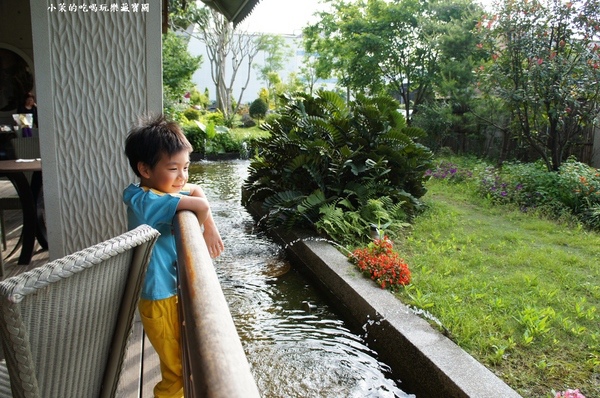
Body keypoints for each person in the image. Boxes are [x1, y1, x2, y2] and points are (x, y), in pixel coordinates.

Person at [123, 115, 224, 398]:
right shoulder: (145, 201)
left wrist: (210, 225)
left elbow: (196, 190)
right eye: (173, 169)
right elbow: (199, 203)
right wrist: (207, 229)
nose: (182, 177)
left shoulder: (156, 188)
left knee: (180, 362)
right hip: (158, 297)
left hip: (167, 291)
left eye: (186, 167)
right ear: (145, 169)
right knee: (178, 371)